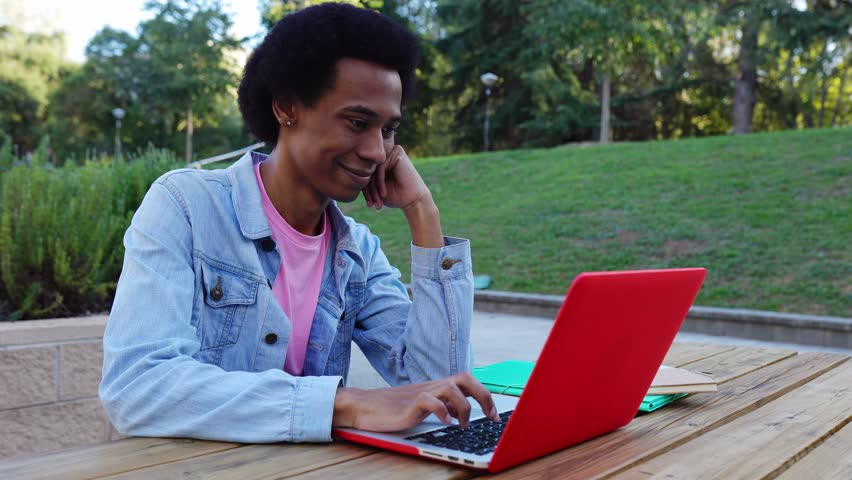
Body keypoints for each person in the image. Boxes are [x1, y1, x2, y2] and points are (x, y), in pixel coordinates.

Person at [99, 3, 498, 443]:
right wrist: (346, 404)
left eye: (387, 130)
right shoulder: (187, 206)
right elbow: (137, 388)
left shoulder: (356, 252)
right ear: (288, 107)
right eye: (358, 122)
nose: (376, 151)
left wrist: (423, 212)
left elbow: (439, 385)